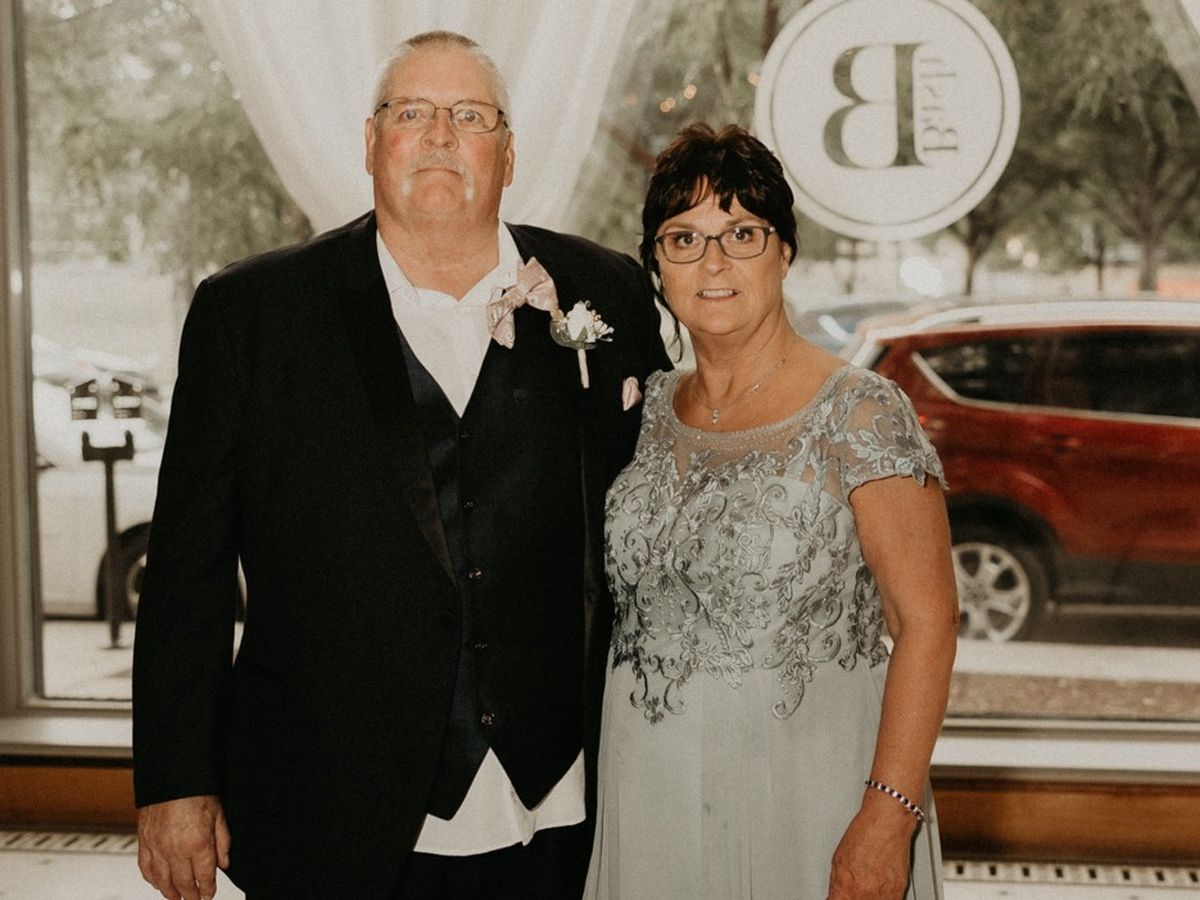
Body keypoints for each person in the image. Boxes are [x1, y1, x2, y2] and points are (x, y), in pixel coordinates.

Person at [132, 30, 668, 900]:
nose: (440, 135)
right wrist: (175, 779)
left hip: (561, 800)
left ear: (509, 153)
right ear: (371, 141)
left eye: (470, 116)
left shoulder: (603, 291)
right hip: (328, 800)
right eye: (412, 112)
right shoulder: (252, 313)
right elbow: (188, 569)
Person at [583, 123, 959, 900]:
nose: (712, 262)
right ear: (656, 265)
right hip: (649, 787)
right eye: (683, 238)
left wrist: (887, 817)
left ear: (785, 251)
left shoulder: (860, 411)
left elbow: (927, 622)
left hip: (809, 788)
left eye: (741, 233)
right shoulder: (646, 409)